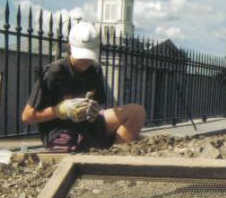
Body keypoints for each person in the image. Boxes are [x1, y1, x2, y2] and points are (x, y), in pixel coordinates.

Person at [21, 21, 145, 152]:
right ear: (69, 48)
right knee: (132, 139)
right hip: (61, 132)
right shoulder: (53, 73)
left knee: (137, 112)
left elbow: (98, 102)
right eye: (82, 56)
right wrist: (60, 110)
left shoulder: (94, 70)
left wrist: (93, 109)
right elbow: (27, 116)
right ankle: (108, 154)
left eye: (89, 56)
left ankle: (115, 155)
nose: (86, 61)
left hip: (88, 125)